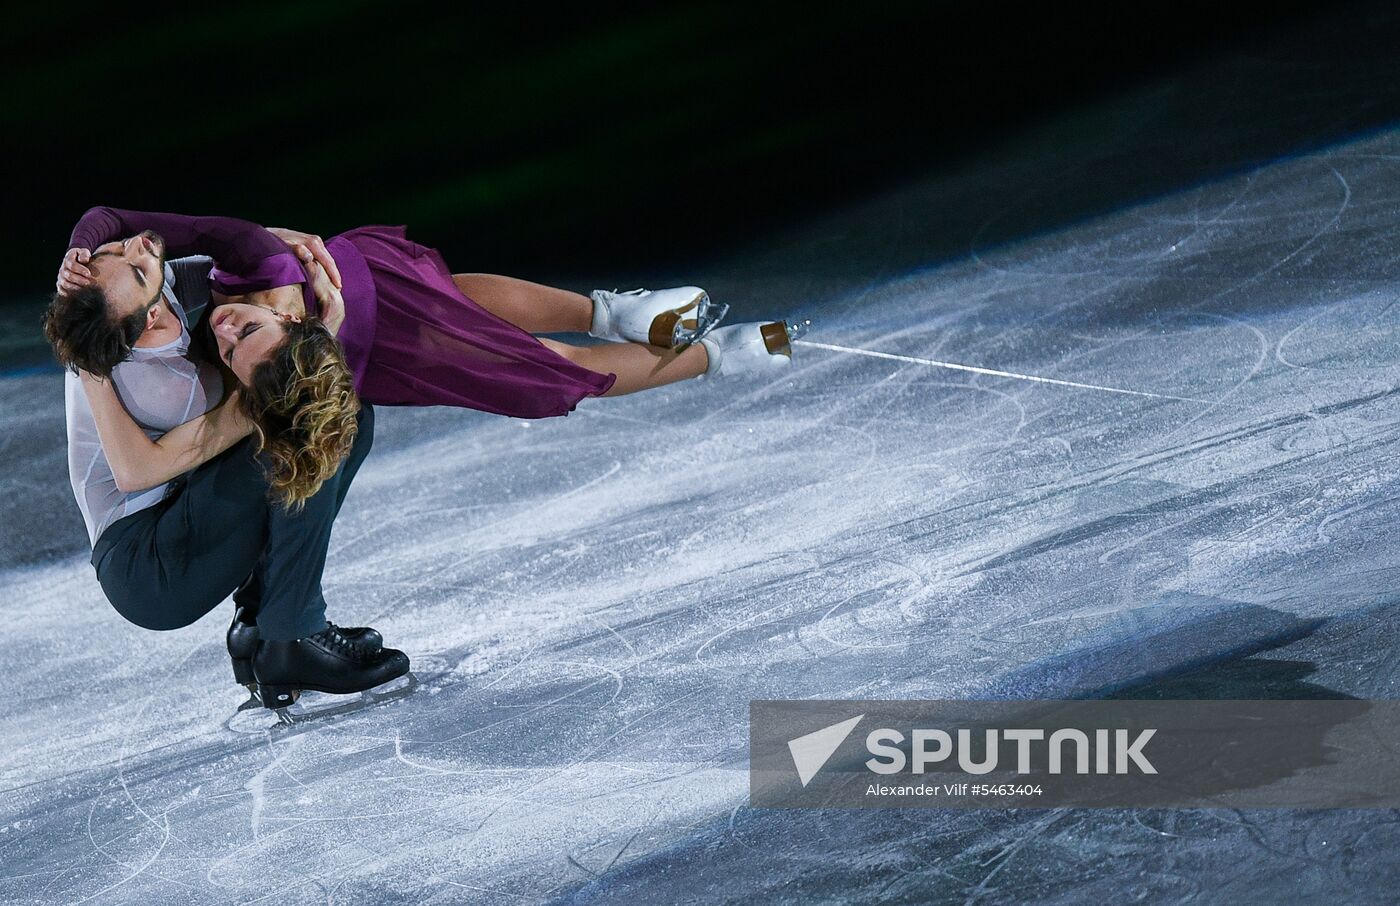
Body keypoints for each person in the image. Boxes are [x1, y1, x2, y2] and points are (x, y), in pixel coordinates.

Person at [54, 208, 806, 507]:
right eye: (139, 261)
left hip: (384, 317)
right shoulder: (223, 326)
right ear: (152, 306)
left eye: (138, 250)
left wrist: (81, 250)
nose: (146, 244)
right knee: (528, 350)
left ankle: (682, 337)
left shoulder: (254, 261)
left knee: (535, 355)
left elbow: (114, 217)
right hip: (377, 341)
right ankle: (687, 339)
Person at [42, 230, 407, 711]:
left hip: (169, 518)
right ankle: (290, 638)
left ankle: (263, 623)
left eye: (117, 248)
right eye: (132, 264)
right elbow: (272, 398)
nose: (139, 245)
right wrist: (323, 328)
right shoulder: (168, 387)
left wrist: (294, 246)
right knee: (312, 421)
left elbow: (238, 252)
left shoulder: (148, 288)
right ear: (148, 316)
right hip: (150, 571)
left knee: (333, 415)